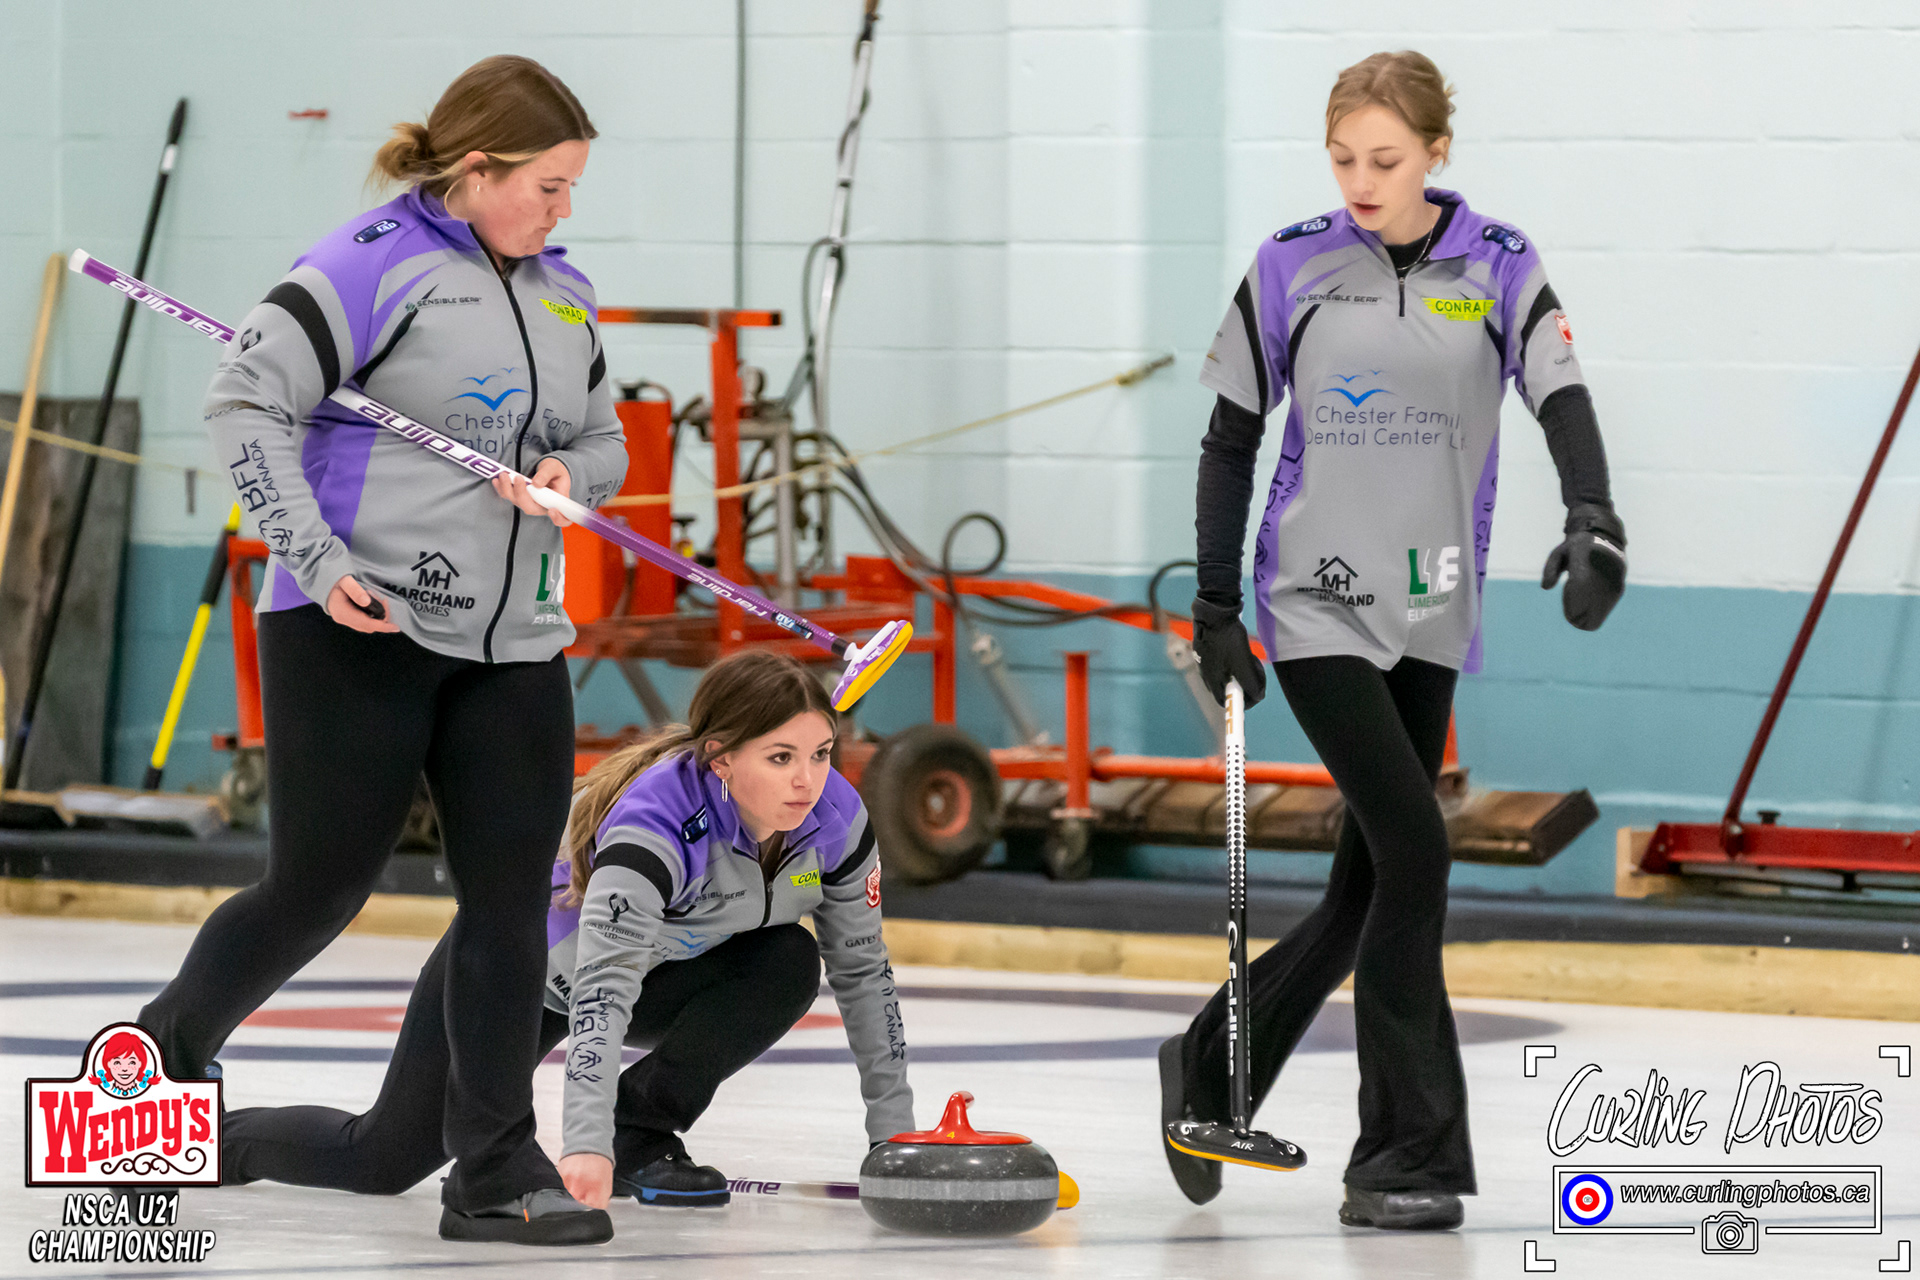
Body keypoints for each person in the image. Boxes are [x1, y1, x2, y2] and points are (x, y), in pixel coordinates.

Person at [137, 55, 627, 1245]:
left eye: (572, 188)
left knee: (510, 903)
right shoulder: (367, 264)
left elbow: (606, 439)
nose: (564, 209)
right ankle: (151, 1072)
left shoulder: (565, 294)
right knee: (318, 887)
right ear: (479, 170)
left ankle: (492, 1167)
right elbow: (243, 401)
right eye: (549, 186)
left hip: (514, 642)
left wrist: (570, 474)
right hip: (359, 625)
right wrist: (315, 559)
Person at [1163, 50, 1625, 1230]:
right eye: (1343, 160)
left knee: (1370, 881)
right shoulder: (1291, 263)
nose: (1362, 182)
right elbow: (1229, 440)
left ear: (1435, 153)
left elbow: (1563, 398)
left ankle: (1210, 1061)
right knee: (1416, 851)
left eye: (1385, 159)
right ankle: (1400, 1156)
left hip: (1434, 603)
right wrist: (1216, 606)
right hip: (1315, 597)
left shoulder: (1500, 263)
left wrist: (1592, 517)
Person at [219, 650, 912, 1216]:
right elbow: (603, 990)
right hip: (516, 978)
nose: (808, 781)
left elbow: (864, 973)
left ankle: (641, 1131)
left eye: (821, 754)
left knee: (788, 960)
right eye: (781, 757)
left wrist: (893, 1142)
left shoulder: (836, 821)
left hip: (661, 973)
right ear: (721, 758)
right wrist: (585, 1145)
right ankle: (216, 1144)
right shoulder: (658, 825)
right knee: (382, 1159)